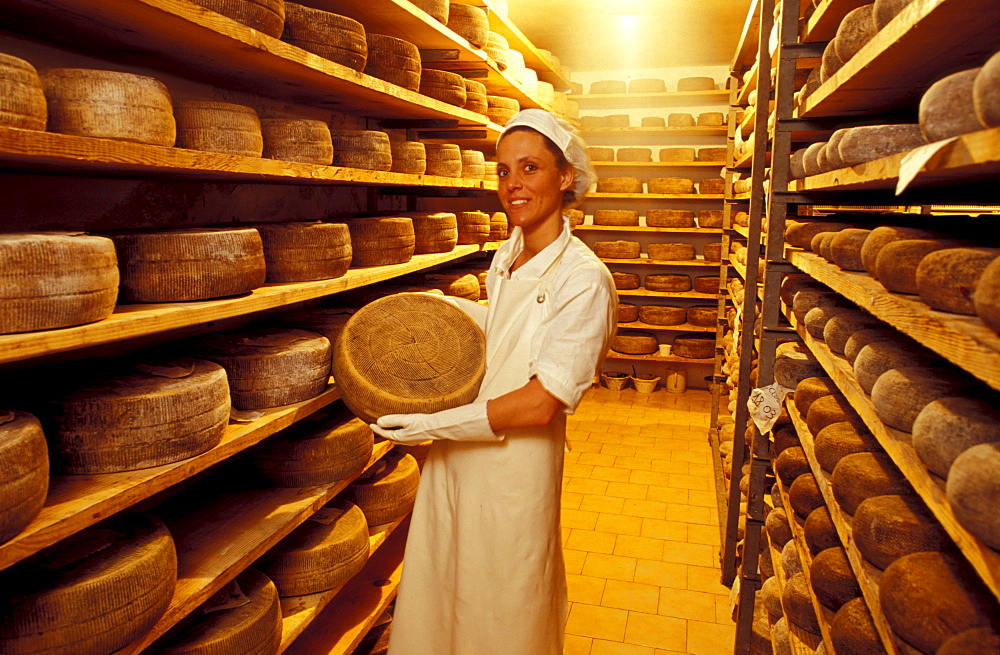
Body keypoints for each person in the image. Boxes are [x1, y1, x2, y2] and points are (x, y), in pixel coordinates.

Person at [371, 109, 617, 655]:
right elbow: (512, 335)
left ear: (566, 176)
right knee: (444, 592)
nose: (513, 185)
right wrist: (445, 314)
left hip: (513, 471)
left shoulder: (584, 279)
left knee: (505, 606)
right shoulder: (507, 254)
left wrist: (435, 423)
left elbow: (540, 403)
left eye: (530, 168)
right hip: (457, 458)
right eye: (504, 171)